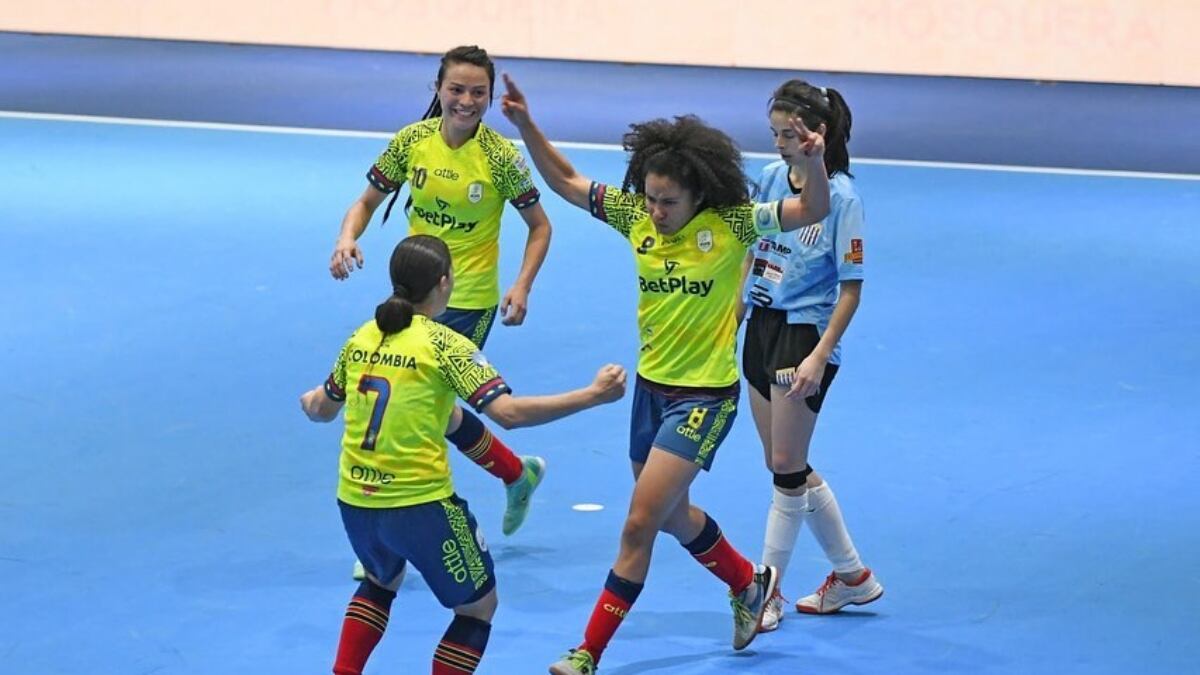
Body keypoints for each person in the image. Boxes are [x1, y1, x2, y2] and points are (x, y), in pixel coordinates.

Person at [499, 74, 831, 675]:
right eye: (650, 197)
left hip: (704, 397)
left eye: (668, 202)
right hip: (651, 393)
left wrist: (816, 161)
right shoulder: (637, 218)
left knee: (638, 523)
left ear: (698, 194)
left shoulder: (735, 222)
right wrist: (526, 127)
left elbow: (813, 207)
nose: (656, 211)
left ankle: (587, 653)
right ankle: (748, 583)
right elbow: (570, 183)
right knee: (674, 517)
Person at [300, 234, 626, 675]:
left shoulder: (362, 336)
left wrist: (309, 400)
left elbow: (321, 409)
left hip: (355, 503)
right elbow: (507, 414)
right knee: (477, 608)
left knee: (380, 582)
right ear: (444, 282)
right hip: (420, 505)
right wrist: (592, 395)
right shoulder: (445, 344)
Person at [329, 45, 553, 546]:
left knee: (420, 406)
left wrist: (521, 285)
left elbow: (540, 227)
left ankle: (417, 529)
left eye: (479, 92)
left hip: (467, 302)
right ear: (438, 89)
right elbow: (366, 202)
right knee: (438, 408)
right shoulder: (412, 141)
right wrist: (348, 239)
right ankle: (516, 474)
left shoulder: (500, 157)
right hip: (411, 292)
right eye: (457, 89)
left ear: (491, 97)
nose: (467, 101)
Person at [740, 79, 883, 632]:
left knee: (784, 469)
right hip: (762, 328)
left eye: (788, 134)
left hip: (804, 337)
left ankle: (766, 593)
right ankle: (853, 577)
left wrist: (819, 357)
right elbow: (754, 251)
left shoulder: (842, 199)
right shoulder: (773, 179)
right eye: (773, 132)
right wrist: (735, 316)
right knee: (786, 466)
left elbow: (852, 288)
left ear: (816, 136)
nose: (778, 143)